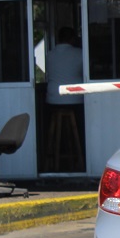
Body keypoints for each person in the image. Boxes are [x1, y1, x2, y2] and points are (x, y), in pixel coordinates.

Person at [45, 27, 85, 170]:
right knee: (80, 130)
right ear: (72, 39)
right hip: (76, 101)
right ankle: (81, 161)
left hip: (53, 100)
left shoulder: (49, 55)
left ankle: (51, 162)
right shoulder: (80, 54)